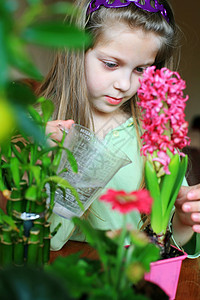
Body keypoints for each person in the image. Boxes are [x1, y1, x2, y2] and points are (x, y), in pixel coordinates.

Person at [37, 0, 200, 258]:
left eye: (140, 69)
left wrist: (183, 219)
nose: (124, 84)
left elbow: (166, 243)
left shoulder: (155, 135)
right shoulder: (38, 127)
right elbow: (46, 238)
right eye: (111, 64)